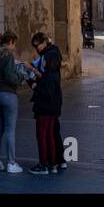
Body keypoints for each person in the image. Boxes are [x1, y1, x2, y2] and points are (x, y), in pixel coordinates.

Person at [0, 31, 23, 174]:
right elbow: (10, 76)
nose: (14, 47)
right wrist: (20, 76)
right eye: (14, 44)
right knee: (9, 130)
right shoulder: (8, 56)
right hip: (8, 95)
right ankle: (11, 163)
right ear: (10, 42)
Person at [28, 32, 63, 175]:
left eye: (38, 45)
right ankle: (53, 164)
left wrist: (32, 74)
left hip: (45, 104)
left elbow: (43, 81)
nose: (37, 49)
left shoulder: (49, 59)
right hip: (54, 103)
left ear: (43, 42)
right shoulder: (52, 59)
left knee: (42, 135)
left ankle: (44, 164)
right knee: (49, 134)